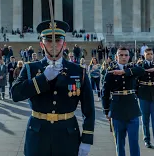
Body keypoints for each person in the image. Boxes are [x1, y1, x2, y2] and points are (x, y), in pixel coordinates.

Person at [11, 20, 95, 156]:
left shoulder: (78, 71)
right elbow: (15, 94)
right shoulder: (30, 68)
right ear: (41, 44)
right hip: (38, 135)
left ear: (64, 44)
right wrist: (43, 78)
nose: (54, 45)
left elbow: (89, 110)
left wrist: (86, 139)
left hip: (67, 134)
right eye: (49, 41)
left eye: (58, 40)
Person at [102, 47, 145, 156]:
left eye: (126, 55)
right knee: (119, 142)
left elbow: (142, 70)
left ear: (129, 57)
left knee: (134, 141)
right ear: (116, 57)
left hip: (132, 109)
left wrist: (124, 71)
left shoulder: (132, 68)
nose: (124, 57)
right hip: (117, 109)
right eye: (121, 55)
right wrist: (106, 110)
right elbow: (105, 92)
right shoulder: (110, 71)